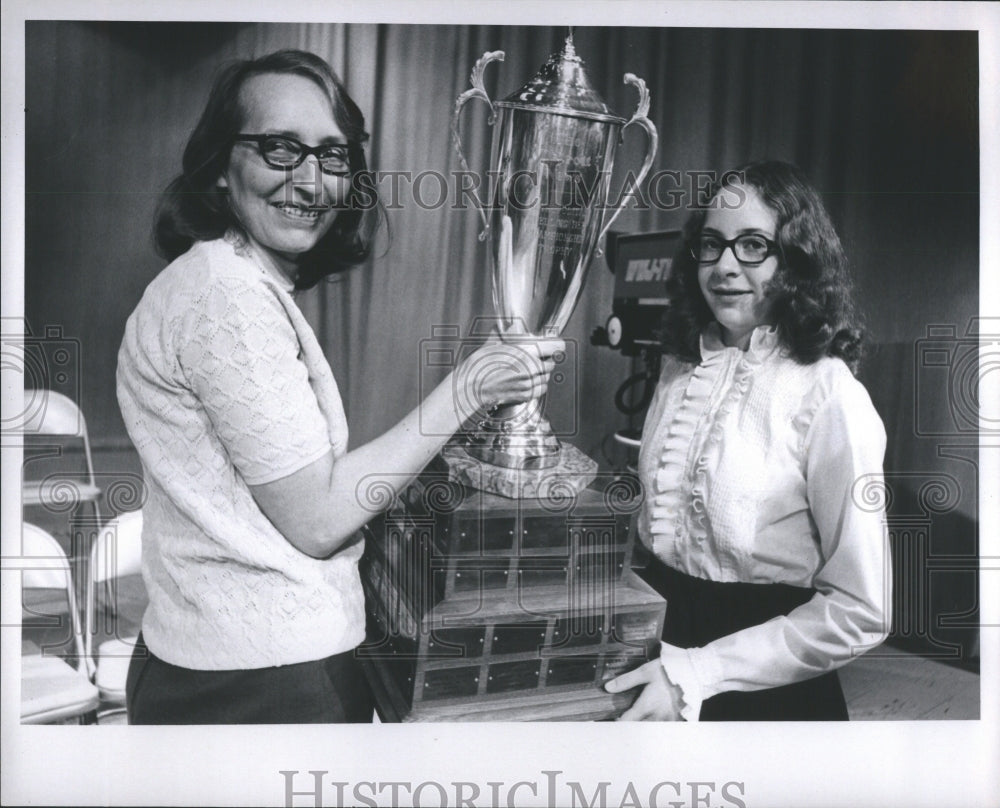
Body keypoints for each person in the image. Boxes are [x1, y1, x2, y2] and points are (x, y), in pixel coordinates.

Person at [116, 49, 562, 724]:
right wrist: (469, 388)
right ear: (218, 170)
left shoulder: (225, 280)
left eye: (331, 156)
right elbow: (319, 520)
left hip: (222, 666)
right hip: (262, 687)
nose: (310, 180)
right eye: (279, 148)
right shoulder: (225, 296)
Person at [605, 160, 890, 721]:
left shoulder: (830, 394)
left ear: (796, 262)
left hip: (767, 689)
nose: (725, 266)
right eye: (712, 245)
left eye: (753, 245)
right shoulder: (680, 367)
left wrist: (697, 673)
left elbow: (862, 609)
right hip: (657, 661)